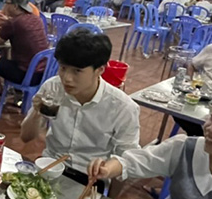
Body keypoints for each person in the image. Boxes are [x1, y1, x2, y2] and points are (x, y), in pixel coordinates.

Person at [20, 30, 140, 186]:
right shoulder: (53, 88)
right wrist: (36, 112)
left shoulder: (122, 107)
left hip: (91, 178)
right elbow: (26, 137)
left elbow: (127, 160)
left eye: (77, 71)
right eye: (63, 68)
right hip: (51, 167)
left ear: (100, 70)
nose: (67, 78)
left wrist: (108, 196)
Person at [0, 0, 50, 96]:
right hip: (42, 73)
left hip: (26, 75)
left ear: (15, 6)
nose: (5, 5)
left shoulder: (14, 23)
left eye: (6, 2)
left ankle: (1, 92)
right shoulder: (36, 18)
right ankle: (15, 93)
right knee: (7, 53)